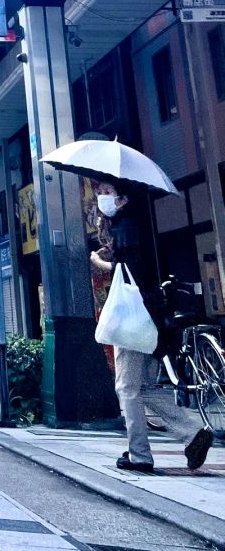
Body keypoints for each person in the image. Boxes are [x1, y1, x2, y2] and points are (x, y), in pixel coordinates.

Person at [90, 178, 212, 474]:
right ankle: (192, 432)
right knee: (142, 386)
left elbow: (125, 270)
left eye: (106, 192)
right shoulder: (133, 223)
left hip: (133, 315)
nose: (102, 197)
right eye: (99, 193)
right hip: (148, 313)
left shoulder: (126, 226)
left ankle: (140, 455)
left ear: (123, 196)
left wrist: (98, 261)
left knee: (126, 387)